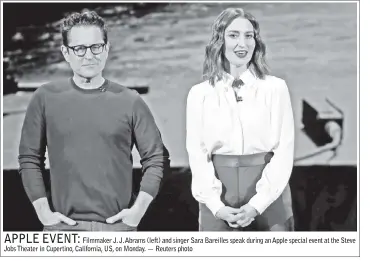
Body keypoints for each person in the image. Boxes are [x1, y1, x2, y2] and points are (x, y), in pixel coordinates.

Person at [18, 10, 169, 232]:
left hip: (119, 230)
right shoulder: (45, 98)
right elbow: (29, 159)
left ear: (106, 49)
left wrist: (136, 214)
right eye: (79, 48)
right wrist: (44, 214)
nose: (89, 55)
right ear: (66, 53)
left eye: (96, 47)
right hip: (61, 229)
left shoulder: (130, 101)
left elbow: (157, 158)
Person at [186, 8, 295, 231]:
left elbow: (284, 150)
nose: (242, 44)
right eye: (233, 35)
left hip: (269, 196)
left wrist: (257, 204)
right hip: (217, 199)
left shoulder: (275, 89)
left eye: (249, 36)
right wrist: (217, 206)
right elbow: (197, 154)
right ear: (219, 40)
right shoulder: (199, 94)